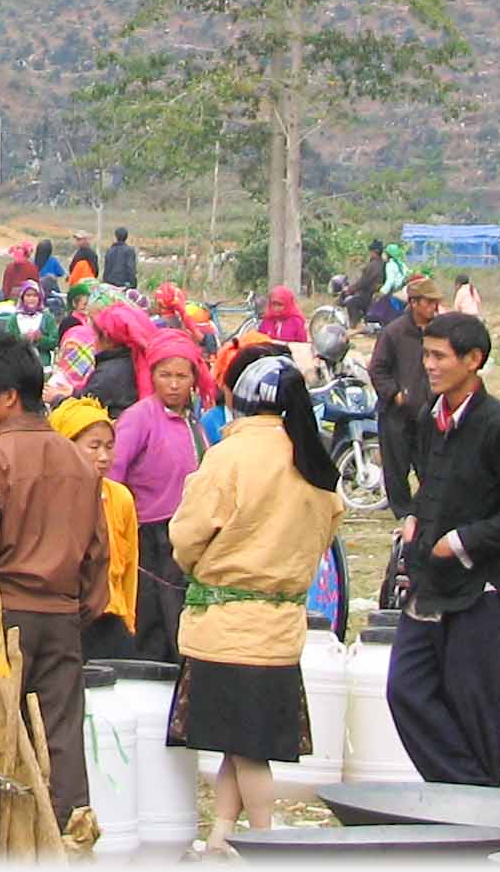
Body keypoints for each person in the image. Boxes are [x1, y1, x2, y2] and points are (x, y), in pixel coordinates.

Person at [166, 345, 345, 851]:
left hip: (226, 627)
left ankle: (266, 843)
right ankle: (223, 837)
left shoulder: (231, 457)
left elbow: (187, 536)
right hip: (281, 626)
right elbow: (331, 520)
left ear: (238, 401)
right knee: (238, 746)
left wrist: (203, 566)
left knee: (249, 752)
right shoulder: (311, 457)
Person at [0, 327, 108, 823]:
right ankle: (67, 835)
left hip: (4, 618)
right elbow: (98, 553)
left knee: (0, 735)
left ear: (9, 396)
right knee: (62, 736)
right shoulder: (80, 464)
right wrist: (78, 609)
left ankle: (3, 838)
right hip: (64, 617)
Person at [387, 312, 500, 787]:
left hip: (480, 588)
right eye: (425, 354)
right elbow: (431, 485)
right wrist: (414, 516)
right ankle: (463, 790)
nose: (428, 365)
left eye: (439, 356)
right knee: (405, 690)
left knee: (473, 704)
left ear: (474, 360)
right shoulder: (431, 417)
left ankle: (475, 803)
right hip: (428, 583)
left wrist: (461, 541)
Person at [108, 319, 213, 662]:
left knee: (179, 620)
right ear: (152, 376)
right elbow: (113, 474)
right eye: (165, 375)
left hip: (185, 534)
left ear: (193, 380)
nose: (172, 384)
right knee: (152, 621)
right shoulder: (140, 418)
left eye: (181, 377)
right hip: (148, 537)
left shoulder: (195, 423)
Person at [49, 396, 138, 661]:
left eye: (109, 447)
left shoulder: (120, 497)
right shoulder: (50, 498)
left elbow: (130, 568)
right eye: (94, 446)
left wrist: (128, 620)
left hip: (111, 621)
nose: (104, 456)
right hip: (65, 622)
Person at [368, 275, 441, 515]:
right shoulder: (394, 332)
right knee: (396, 467)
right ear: (414, 302)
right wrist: (395, 394)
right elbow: (377, 368)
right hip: (396, 413)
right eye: (428, 302)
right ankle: (403, 514)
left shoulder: (439, 332)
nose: (433, 307)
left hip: (430, 412)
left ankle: (429, 511)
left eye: (435, 302)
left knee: (431, 465)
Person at [347, 241, 386, 328]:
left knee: (351, 303)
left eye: (371, 252)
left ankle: (354, 325)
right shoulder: (382, 263)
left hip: (369, 294)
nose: (370, 254)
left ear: (374, 252)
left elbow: (363, 282)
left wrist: (351, 289)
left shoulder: (373, 265)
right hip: (375, 293)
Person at [105, 228, 140, 293]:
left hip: (110, 285)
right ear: (126, 237)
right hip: (123, 286)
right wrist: (133, 284)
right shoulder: (129, 251)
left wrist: (105, 283)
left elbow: (106, 269)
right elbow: (131, 268)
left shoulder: (109, 250)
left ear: (116, 236)